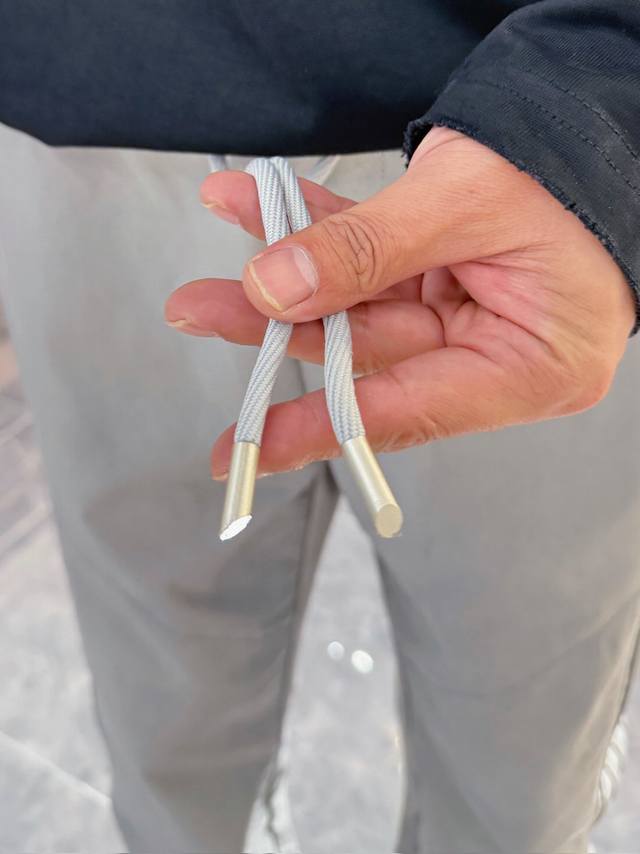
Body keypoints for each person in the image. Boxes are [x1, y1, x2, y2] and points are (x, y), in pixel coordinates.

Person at [1, 2, 639, 851]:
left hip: (525, 154)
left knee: (520, 767)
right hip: (84, 116)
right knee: (164, 730)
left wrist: (609, 91)